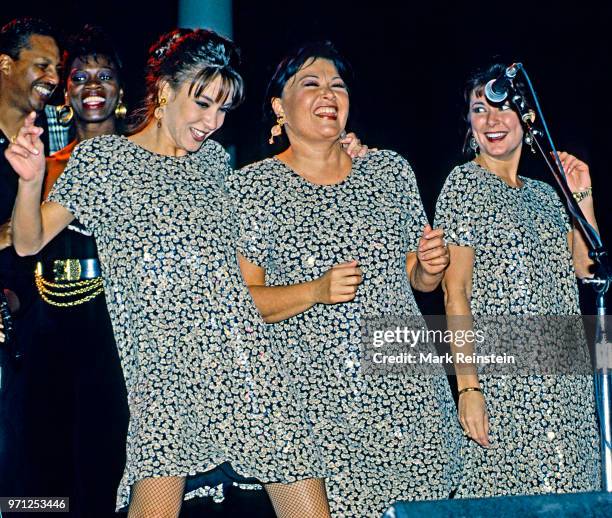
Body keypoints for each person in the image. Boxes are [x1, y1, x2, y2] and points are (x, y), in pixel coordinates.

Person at [6, 28, 346, 518]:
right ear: (165, 90)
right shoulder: (105, 161)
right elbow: (27, 241)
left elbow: (270, 206)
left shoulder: (213, 165)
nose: (213, 121)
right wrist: (31, 180)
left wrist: (341, 152)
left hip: (249, 367)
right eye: (203, 102)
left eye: (223, 109)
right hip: (165, 378)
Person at [227, 41, 462, 517]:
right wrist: (314, 291)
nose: (328, 94)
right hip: (314, 408)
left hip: (410, 399)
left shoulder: (389, 171)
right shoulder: (251, 187)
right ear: (279, 107)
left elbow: (417, 282)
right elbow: (238, 303)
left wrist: (428, 266)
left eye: (338, 85)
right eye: (310, 84)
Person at [434, 63, 601, 496]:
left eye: (504, 108)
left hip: (567, 385)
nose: (492, 120)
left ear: (526, 120)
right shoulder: (464, 184)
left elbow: (587, 269)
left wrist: (581, 194)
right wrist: (468, 386)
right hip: (505, 385)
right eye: (479, 110)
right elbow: (457, 292)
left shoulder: (546, 194)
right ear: (468, 125)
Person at [20, 25, 128, 516]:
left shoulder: (145, 162)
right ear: (66, 91)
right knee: (39, 482)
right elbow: (23, 245)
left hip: (119, 340)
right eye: (81, 77)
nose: (92, 86)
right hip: (48, 331)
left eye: (104, 77)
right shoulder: (42, 165)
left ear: (120, 92)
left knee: (110, 470)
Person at [0, 16, 60, 497]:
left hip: (43, 331)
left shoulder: (52, 138)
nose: (54, 78)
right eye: (42, 65)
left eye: (58, 68)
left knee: (38, 482)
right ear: (5, 64)